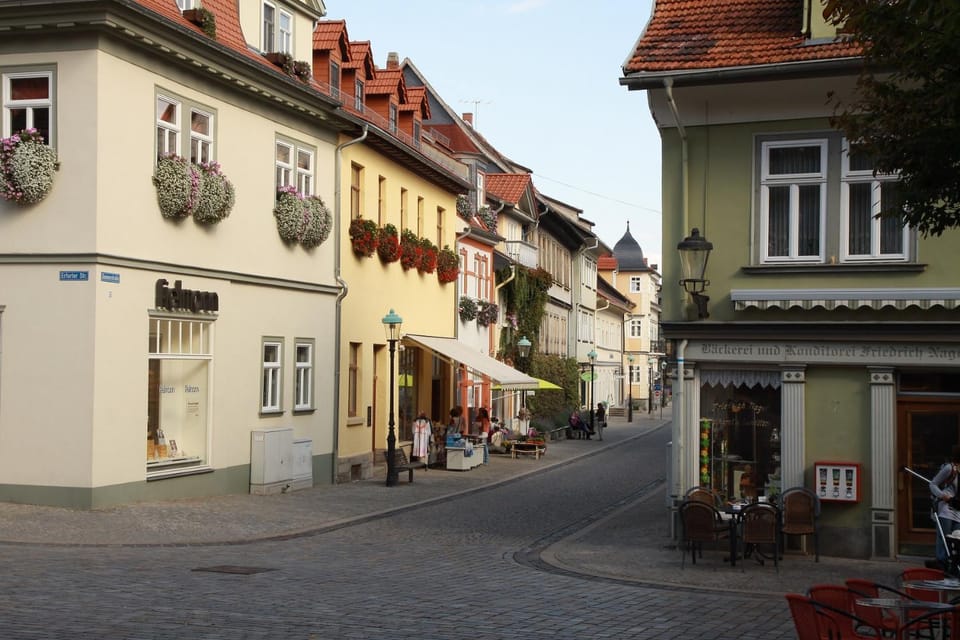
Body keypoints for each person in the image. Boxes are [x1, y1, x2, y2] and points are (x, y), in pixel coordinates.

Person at [929, 445, 960, 573]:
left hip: (959, 509)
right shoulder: (949, 468)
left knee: (957, 540)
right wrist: (943, 496)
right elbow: (933, 484)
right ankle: (942, 565)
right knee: (944, 539)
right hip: (947, 509)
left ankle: (954, 566)